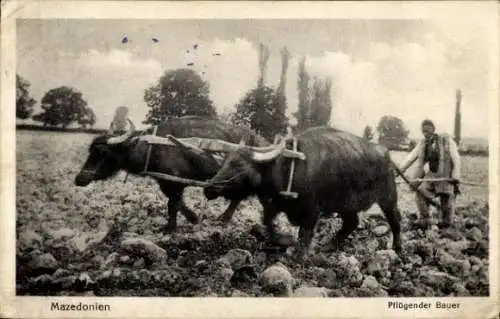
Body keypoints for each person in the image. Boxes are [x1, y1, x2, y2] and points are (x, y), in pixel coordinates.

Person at [399, 119, 461, 229]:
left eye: (427, 131)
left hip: (446, 176)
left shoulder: (447, 141)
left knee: (446, 202)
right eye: (423, 132)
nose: (425, 134)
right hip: (432, 176)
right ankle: (425, 219)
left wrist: (455, 175)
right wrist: (399, 171)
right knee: (420, 193)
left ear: (433, 129)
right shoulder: (422, 143)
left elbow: (456, 159)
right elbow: (410, 158)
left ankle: (447, 225)